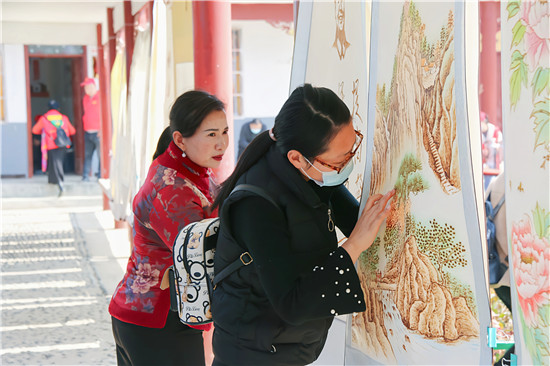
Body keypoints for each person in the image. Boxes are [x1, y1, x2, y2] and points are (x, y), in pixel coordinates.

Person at [211, 84, 394, 365]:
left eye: (352, 149)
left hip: (287, 348)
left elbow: (359, 220)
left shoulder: (313, 174)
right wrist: (354, 245)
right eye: (337, 162)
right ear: (297, 158)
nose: (345, 166)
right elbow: (291, 304)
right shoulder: (255, 204)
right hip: (252, 354)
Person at [109, 90, 229, 366]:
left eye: (224, 132)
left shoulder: (189, 170)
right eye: (211, 134)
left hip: (150, 316)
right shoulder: (172, 190)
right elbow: (203, 254)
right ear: (179, 139)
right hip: (158, 320)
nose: (221, 143)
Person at [31, 100, 76, 196]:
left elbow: (34, 130)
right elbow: (73, 131)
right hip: (63, 144)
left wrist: (44, 132)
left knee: (55, 163)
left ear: (48, 108)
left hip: (51, 144)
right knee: (57, 163)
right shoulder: (64, 118)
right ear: (58, 108)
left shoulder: (44, 118)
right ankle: (53, 180)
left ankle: (60, 182)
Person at [80, 77, 101, 181]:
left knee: (100, 155)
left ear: (94, 86)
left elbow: (105, 115)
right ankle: (85, 176)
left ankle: (100, 176)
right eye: (85, 87)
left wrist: (102, 130)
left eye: (88, 87)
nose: (86, 89)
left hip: (98, 132)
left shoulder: (100, 97)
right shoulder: (85, 99)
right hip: (88, 132)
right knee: (87, 155)